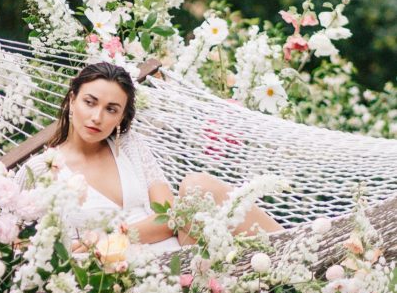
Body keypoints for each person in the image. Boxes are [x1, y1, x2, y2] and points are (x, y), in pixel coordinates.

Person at [19, 61, 281, 250]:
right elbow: (19, 243)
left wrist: (106, 239)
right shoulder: (40, 170)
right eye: (90, 102)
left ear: (121, 117)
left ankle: (291, 248)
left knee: (196, 187)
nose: (97, 117)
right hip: (114, 281)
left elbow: (169, 219)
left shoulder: (129, 146)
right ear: (72, 100)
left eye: (111, 109)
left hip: (176, 254)